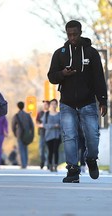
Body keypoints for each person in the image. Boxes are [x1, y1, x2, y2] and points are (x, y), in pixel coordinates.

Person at [47, 20, 107, 183]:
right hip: (67, 103)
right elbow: (51, 76)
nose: (72, 37)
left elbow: (99, 78)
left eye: (75, 34)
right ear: (66, 34)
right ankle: (73, 170)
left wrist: (103, 101)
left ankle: (91, 158)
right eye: (69, 34)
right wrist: (63, 74)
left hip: (88, 102)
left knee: (92, 136)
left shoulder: (91, 53)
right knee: (69, 136)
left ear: (80, 33)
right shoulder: (60, 53)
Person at [11, 101, 34, 169]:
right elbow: (31, 126)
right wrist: (31, 134)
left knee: (21, 149)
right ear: (23, 106)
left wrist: (15, 133)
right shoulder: (27, 115)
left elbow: (13, 126)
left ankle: (23, 164)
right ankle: (26, 163)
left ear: (18, 107)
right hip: (26, 134)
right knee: (25, 148)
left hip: (19, 134)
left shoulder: (16, 115)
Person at [41, 99, 61, 172]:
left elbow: (62, 124)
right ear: (50, 105)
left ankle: (55, 165)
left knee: (56, 151)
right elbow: (44, 125)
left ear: (57, 105)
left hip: (57, 135)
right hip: (48, 135)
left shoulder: (59, 114)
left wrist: (59, 126)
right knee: (50, 151)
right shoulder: (46, 114)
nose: (53, 105)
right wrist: (53, 125)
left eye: (55, 104)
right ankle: (50, 165)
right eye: (52, 104)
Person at [36, 100, 50, 169]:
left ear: (49, 105)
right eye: (44, 104)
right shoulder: (40, 113)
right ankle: (42, 162)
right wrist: (40, 125)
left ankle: (48, 163)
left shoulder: (50, 113)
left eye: (46, 104)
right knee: (41, 148)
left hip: (49, 133)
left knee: (48, 149)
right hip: (42, 133)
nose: (45, 106)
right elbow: (37, 122)